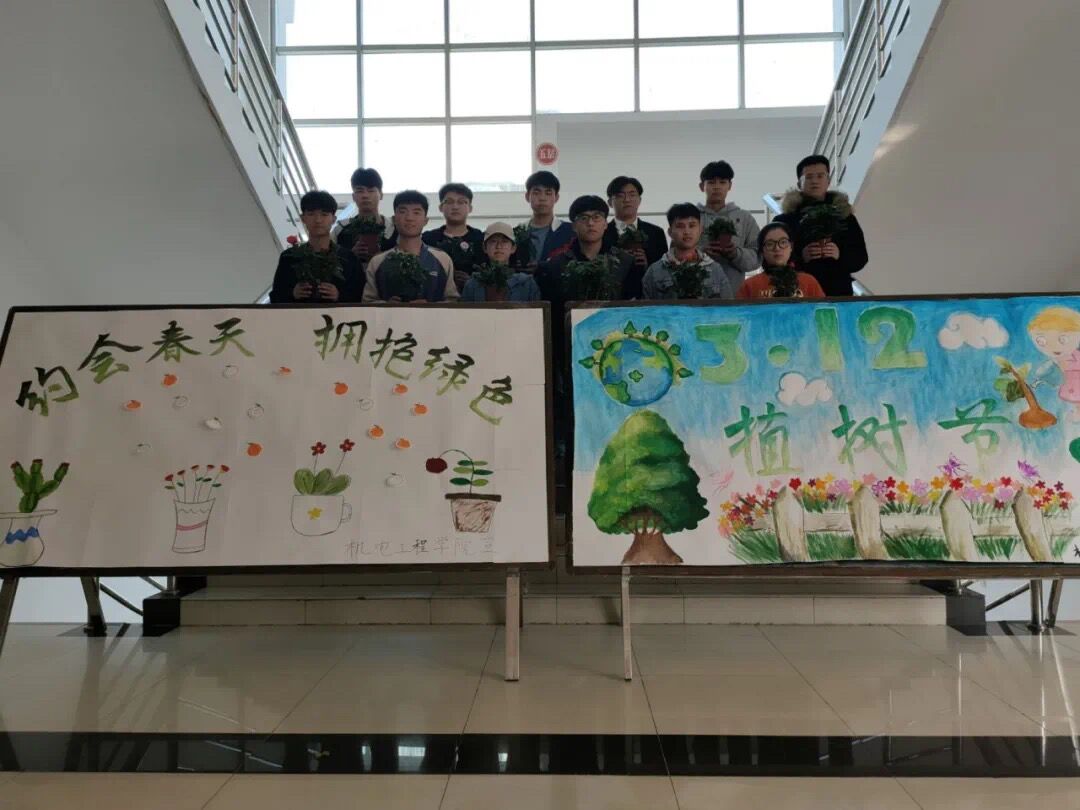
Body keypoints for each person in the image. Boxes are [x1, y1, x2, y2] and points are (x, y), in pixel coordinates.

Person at [773, 154, 869, 296]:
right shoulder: (784, 220)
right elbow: (772, 258)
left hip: (838, 292)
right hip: (798, 291)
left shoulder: (845, 217)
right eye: (809, 177)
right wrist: (800, 258)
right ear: (799, 184)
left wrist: (839, 254)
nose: (815, 181)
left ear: (828, 181)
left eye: (820, 176)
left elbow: (861, 257)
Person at [362, 190, 460, 303]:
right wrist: (388, 306)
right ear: (394, 219)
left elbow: (453, 301)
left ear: (425, 220)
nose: (409, 218)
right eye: (403, 211)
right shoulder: (377, 261)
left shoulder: (443, 259)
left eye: (416, 212)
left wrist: (429, 307)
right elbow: (367, 302)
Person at [269, 190, 361, 304]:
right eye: (311, 214)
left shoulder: (348, 258)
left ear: (333, 219)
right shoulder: (289, 257)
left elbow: (360, 296)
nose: (318, 220)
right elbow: (275, 297)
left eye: (324, 214)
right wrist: (292, 293)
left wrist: (339, 295)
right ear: (303, 218)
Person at [642, 203, 734, 300]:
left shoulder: (715, 270)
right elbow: (646, 308)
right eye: (680, 226)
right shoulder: (655, 272)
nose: (687, 231)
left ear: (700, 230)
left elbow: (728, 306)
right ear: (670, 232)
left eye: (692, 225)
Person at [697, 160, 761, 291]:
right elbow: (677, 251)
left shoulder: (745, 218)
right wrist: (701, 253)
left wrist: (735, 253)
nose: (717, 187)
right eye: (711, 182)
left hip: (734, 293)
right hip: (697, 293)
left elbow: (757, 257)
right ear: (702, 186)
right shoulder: (692, 217)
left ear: (730, 185)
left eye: (722, 182)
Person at [334, 167, 398, 274]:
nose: (365, 195)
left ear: (381, 195)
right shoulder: (341, 229)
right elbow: (331, 265)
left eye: (371, 190)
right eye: (360, 191)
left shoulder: (395, 228)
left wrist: (383, 259)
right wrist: (350, 256)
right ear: (353, 196)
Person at [422, 183, 485, 290]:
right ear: (441, 207)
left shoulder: (481, 239)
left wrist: (472, 282)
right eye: (449, 202)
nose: (455, 207)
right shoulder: (428, 239)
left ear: (470, 208)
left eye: (461, 202)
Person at [738, 223, 826, 299]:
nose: (777, 248)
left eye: (783, 242)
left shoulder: (809, 282)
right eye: (770, 244)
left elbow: (823, 311)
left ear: (791, 247)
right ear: (762, 250)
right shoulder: (749, 285)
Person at [601, 175, 668, 272]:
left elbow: (664, 270)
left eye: (632, 195)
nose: (627, 200)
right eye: (620, 196)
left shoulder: (656, 232)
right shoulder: (601, 232)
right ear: (610, 202)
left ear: (639, 200)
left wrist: (647, 265)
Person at [460, 223, 541, 302]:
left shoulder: (527, 283)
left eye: (504, 241)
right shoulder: (472, 284)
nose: (498, 246)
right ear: (484, 248)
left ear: (513, 248)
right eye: (493, 241)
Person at [516, 170, 575, 267]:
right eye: (536, 193)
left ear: (556, 197)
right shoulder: (516, 233)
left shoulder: (571, 232)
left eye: (548, 193)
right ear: (527, 196)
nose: (542, 198)